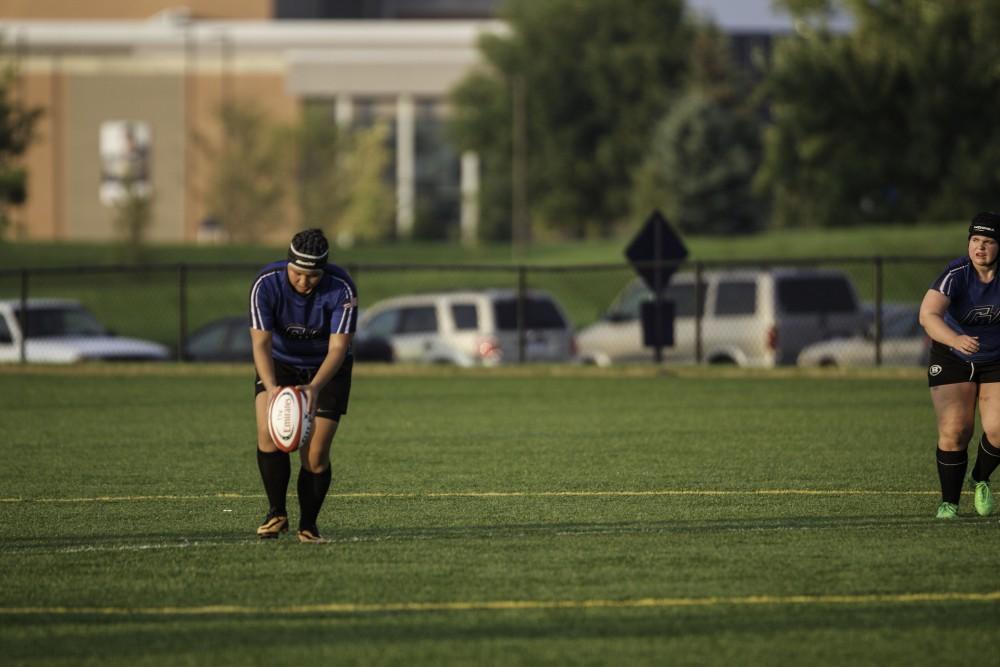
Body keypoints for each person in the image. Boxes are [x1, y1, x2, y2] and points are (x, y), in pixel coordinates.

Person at [249, 228, 357, 543]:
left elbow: (338, 349)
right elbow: (261, 344)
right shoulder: (266, 284)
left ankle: (308, 526)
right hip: (279, 363)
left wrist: (313, 387)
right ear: (288, 265)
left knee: (316, 454)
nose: (303, 281)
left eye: (312, 276)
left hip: (328, 368)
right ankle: (276, 513)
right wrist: (270, 388)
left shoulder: (341, 289)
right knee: (268, 436)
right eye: (297, 273)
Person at [919, 212, 1000, 519]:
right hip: (951, 356)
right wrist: (954, 339)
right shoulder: (957, 273)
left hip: (995, 358)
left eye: (989, 241)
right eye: (975, 240)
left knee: (999, 430)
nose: (980, 247)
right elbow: (928, 315)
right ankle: (949, 503)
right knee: (956, 430)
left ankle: (980, 477)